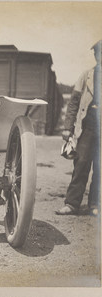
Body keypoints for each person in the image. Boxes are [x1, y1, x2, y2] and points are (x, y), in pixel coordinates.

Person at [56, 40, 101, 216]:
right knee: (81, 163)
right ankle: (72, 204)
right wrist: (67, 128)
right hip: (87, 126)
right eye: (99, 53)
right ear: (95, 56)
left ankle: (94, 205)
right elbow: (74, 103)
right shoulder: (86, 76)